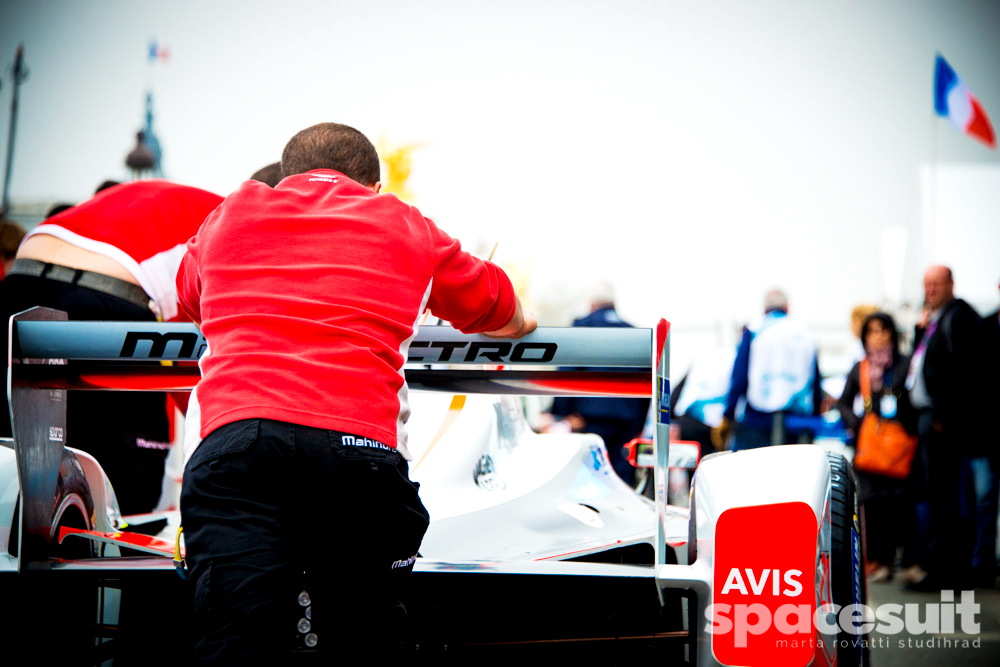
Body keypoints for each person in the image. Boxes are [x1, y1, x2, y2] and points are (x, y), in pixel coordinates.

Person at [177, 122, 535, 662]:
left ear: (285, 177)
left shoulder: (231, 213)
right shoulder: (403, 224)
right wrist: (523, 323)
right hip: (355, 455)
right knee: (363, 636)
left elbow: (189, 297)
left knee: (235, 639)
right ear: (371, 186)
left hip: (238, 446)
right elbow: (493, 303)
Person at [0, 181, 223, 514]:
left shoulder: (177, 201)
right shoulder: (243, 219)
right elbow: (207, 371)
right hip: (106, 296)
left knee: (16, 458)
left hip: (20, 281)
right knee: (130, 494)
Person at [905, 265, 985, 590]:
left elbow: (967, 370)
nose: (931, 289)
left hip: (944, 423)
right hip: (931, 419)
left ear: (951, 284)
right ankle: (941, 566)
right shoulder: (937, 318)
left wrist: (942, 413)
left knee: (947, 499)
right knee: (937, 497)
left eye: (936, 284)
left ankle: (949, 572)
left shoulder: (959, 316)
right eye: (927, 284)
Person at [541, 282, 649, 485]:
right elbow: (647, 381)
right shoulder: (634, 332)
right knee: (620, 479)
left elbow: (568, 370)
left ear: (591, 303)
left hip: (589, 417)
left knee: (589, 478)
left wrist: (561, 412)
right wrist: (639, 424)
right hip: (627, 419)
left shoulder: (584, 326)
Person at [837, 313, 918, 582]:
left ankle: (906, 561)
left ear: (893, 333)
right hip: (870, 447)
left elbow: (914, 399)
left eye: (883, 330)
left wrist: (906, 424)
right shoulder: (860, 368)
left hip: (900, 445)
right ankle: (877, 561)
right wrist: (859, 424)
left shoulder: (906, 364)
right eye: (871, 331)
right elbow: (843, 402)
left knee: (902, 504)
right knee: (871, 505)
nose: (878, 335)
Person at [720, 289, 822, 450]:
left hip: (758, 419)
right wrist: (815, 417)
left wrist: (728, 414)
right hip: (797, 422)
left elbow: (739, 377)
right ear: (787, 307)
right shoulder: (805, 333)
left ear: (764, 309)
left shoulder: (755, 329)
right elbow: (815, 380)